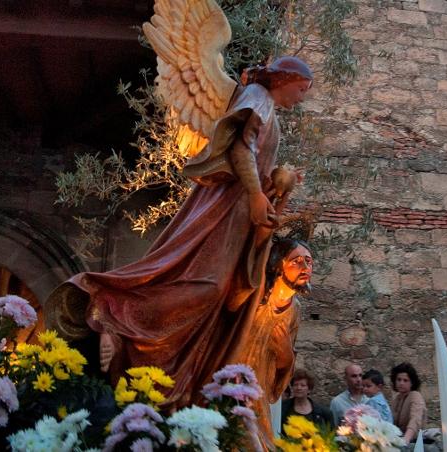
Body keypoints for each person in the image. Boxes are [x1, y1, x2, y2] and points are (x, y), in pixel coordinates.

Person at [45, 56, 314, 411]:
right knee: (208, 287)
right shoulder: (258, 95)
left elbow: (256, 158)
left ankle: (182, 379)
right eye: (301, 89)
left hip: (239, 212)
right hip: (224, 205)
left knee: (224, 297)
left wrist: (279, 184)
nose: (302, 97)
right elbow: (239, 147)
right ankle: (115, 312)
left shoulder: (269, 108)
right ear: (285, 79)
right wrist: (254, 193)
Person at [237, 237, 314, 450]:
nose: (305, 267)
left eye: (309, 262)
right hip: (231, 387)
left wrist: (285, 353)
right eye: (296, 261)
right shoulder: (256, 297)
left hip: (258, 393)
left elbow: (283, 372)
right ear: (278, 265)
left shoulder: (294, 310)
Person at [390, 362, 426, 445]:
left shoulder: (415, 396)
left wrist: (406, 438)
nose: (401, 383)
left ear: (412, 383)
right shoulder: (397, 398)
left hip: (414, 442)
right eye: (399, 380)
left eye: (405, 380)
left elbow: (415, 419)